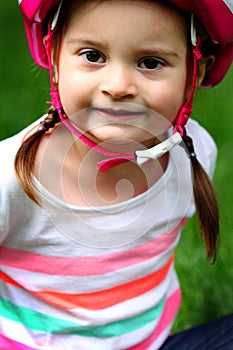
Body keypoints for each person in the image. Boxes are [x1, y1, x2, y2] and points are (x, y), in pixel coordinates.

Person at [0, 0, 232, 349]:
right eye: (93, 55)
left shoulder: (194, 153)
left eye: (150, 62)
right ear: (54, 54)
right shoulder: (10, 179)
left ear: (196, 72)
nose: (118, 85)